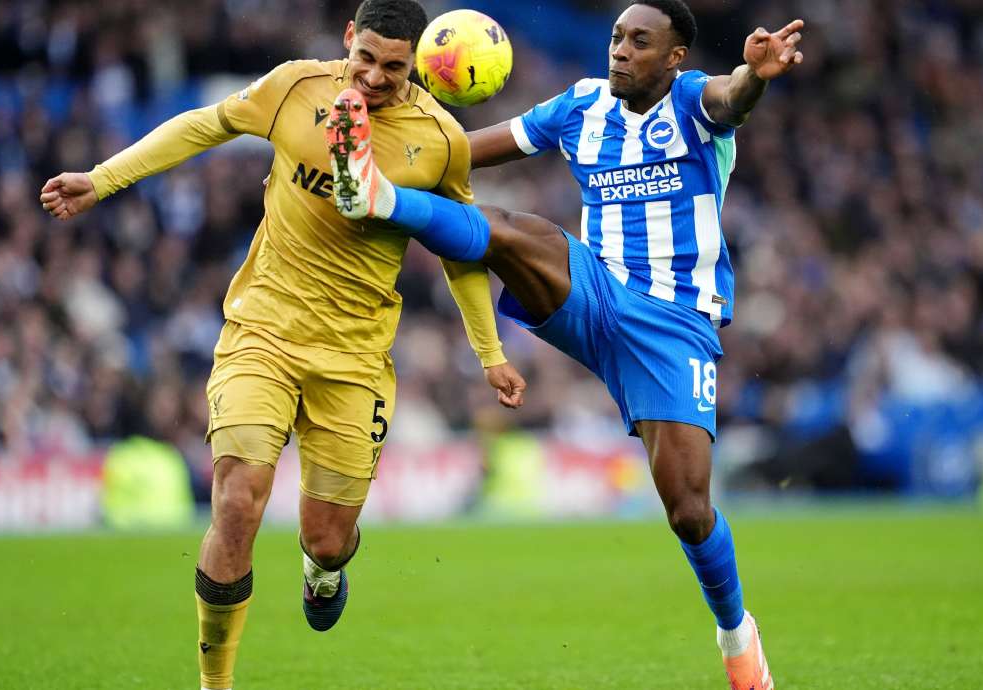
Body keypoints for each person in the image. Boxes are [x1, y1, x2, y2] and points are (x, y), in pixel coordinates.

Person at [39, 1, 527, 688]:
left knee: (327, 540)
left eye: (395, 66)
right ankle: (216, 683)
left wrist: (490, 352)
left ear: (416, 62)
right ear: (348, 39)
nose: (378, 77)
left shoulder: (441, 140)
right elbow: (204, 126)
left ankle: (322, 574)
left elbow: (460, 249)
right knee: (238, 499)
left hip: (355, 357)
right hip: (261, 331)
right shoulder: (296, 87)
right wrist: (103, 178)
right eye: (367, 59)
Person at [324, 2, 801, 687]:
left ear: (673, 57)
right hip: (594, 293)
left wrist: (754, 76)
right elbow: (459, 154)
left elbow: (732, 95)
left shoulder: (696, 102)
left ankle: (735, 633)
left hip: (673, 326)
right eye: (616, 38)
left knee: (689, 512)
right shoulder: (579, 107)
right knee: (512, 230)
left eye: (641, 42)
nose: (620, 51)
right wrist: (392, 125)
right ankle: (373, 196)